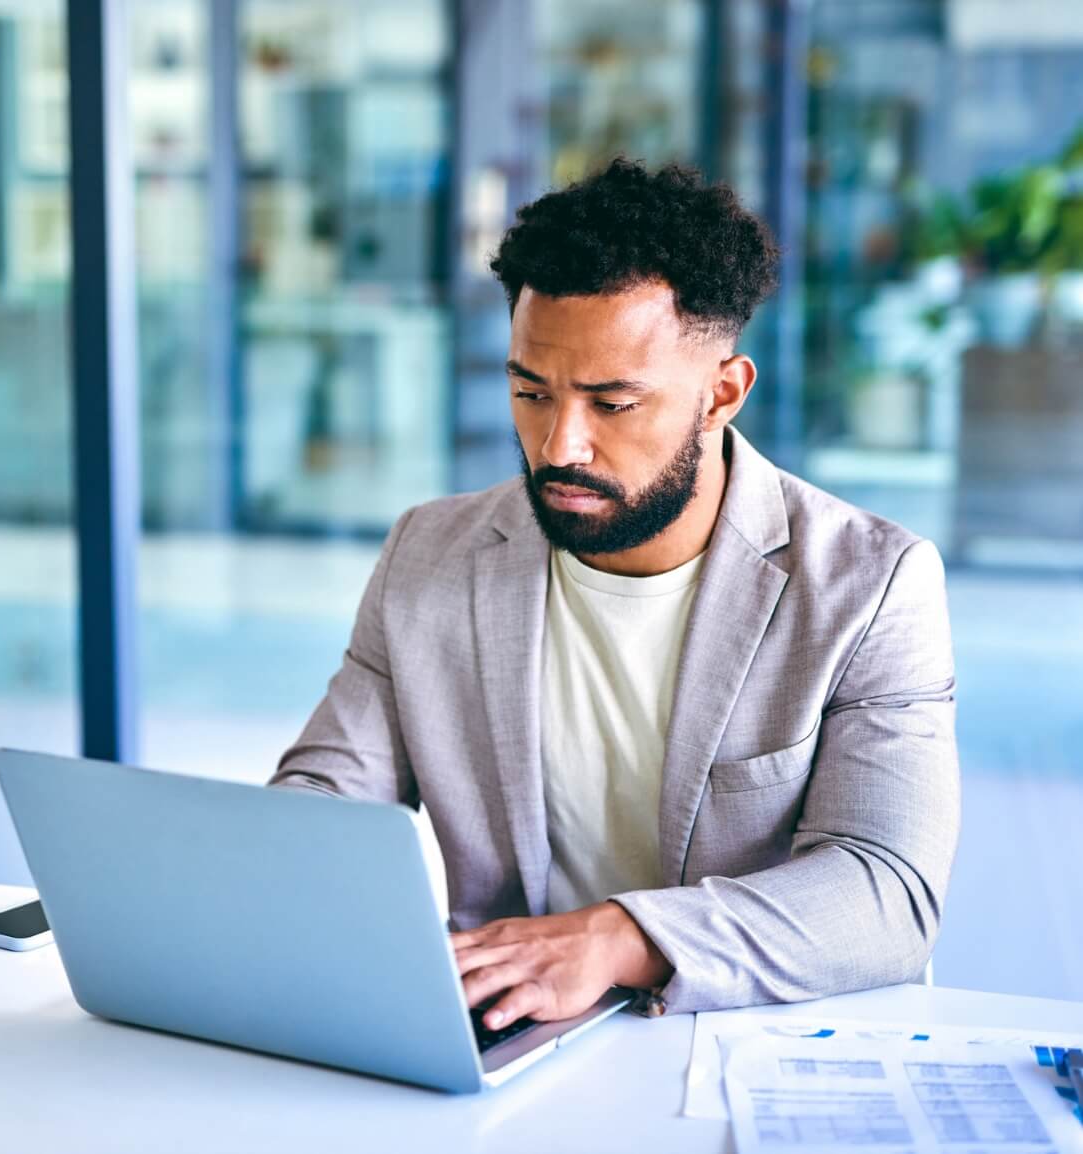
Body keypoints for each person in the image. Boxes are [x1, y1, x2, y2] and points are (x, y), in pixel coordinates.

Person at [270, 159, 960, 1031]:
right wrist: (277, 883)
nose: (560, 446)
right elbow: (326, 795)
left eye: (614, 403)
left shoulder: (870, 585)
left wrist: (613, 938)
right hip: (508, 1035)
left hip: (757, 1035)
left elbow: (885, 889)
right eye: (531, 391)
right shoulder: (430, 553)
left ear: (723, 393)